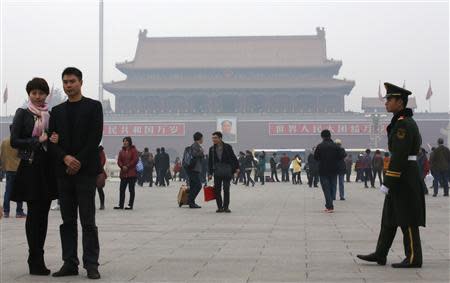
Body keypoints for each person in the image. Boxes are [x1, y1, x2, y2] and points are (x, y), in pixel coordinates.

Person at [357, 82, 425, 268]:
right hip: (401, 176)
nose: (386, 102)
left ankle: (413, 258)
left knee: (408, 218)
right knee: (390, 217)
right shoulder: (400, 122)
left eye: (390, 99)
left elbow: (400, 155)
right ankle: (380, 253)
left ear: (400, 102)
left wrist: (389, 181)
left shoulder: (403, 125)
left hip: (404, 177)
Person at [48, 67, 103, 279]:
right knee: (67, 220)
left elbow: (94, 137)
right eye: (65, 82)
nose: (68, 85)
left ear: (80, 82)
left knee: (88, 221)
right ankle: (69, 262)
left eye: (72, 81)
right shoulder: (57, 111)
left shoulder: (93, 107)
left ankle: (91, 264)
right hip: (64, 173)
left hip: (86, 171)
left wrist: (77, 159)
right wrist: (65, 158)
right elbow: (52, 141)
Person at [11, 77, 58, 275]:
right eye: (34, 93)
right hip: (30, 167)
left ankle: (40, 257)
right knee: (33, 214)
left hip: (47, 168)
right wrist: (36, 140)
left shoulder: (50, 115)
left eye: (41, 93)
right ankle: (34, 259)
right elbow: (14, 140)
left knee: (44, 214)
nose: (38, 97)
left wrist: (54, 138)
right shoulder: (23, 113)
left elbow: (54, 138)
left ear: (47, 95)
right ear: (29, 94)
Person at [208, 131, 239, 213]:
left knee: (226, 188)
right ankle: (219, 207)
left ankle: (226, 207)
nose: (213, 139)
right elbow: (210, 162)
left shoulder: (228, 147)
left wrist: (237, 167)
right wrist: (210, 173)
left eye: (215, 138)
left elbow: (233, 157)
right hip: (217, 171)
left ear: (220, 138)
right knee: (217, 190)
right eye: (213, 138)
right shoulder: (211, 149)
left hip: (227, 171)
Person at [314, 130, 344, 212]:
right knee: (332, 187)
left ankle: (329, 206)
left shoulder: (320, 146)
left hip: (323, 170)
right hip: (334, 170)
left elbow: (316, 157)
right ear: (330, 136)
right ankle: (330, 204)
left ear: (322, 137)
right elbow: (342, 155)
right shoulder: (336, 146)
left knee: (326, 188)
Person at [1, 126, 27, 218]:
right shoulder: (19, 142)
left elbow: (2, 156)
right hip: (18, 169)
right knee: (19, 190)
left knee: (8, 190)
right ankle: (19, 212)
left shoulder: (4, 142)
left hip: (8, 169)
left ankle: (6, 211)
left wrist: (3, 168)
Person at [115, 137, 139, 210]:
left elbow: (135, 160)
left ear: (129, 142)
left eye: (126, 141)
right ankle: (121, 205)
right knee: (122, 189)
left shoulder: (134, 150)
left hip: (131, 173)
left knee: (131, 190)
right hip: (123, 173)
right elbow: (119, 161)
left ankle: (130, 205)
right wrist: (122, 166)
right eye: (124, 141)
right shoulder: (121, 151)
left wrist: (127, 166)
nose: (125, 142)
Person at [185, 132, 205, 208]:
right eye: (202, 138)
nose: (203, 139)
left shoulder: (196, 146)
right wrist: (201, 152)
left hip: (193, 168)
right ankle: (190, 200)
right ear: (199, 138)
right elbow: (194, 155)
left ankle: (191, 202)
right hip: (193, 169)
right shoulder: (195, 146)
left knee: (193, 185)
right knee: (198, 185)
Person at [96, 146, 107, 210]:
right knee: (91, 190)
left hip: (99, 172)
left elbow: (103, 160)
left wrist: (98, 167)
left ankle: (102, 204)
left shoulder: (100, 150)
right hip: (90, 172)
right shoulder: (89, 149)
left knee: (100, 189)